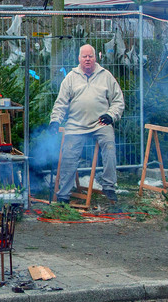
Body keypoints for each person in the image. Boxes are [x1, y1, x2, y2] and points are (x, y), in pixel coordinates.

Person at [50, 44, 125, 209]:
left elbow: (118, 101)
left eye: (90, 56)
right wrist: (55, 121)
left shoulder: (106, 76)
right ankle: (63, 195)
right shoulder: (70, 77)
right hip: (76, 124)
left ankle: (109, 186)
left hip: (100, 123)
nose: (88, 59)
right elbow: (61, 103)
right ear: (79, 59)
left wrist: (111, 115)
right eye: (84, 56)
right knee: (68, 154)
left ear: (95, 58)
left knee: (110, 145)